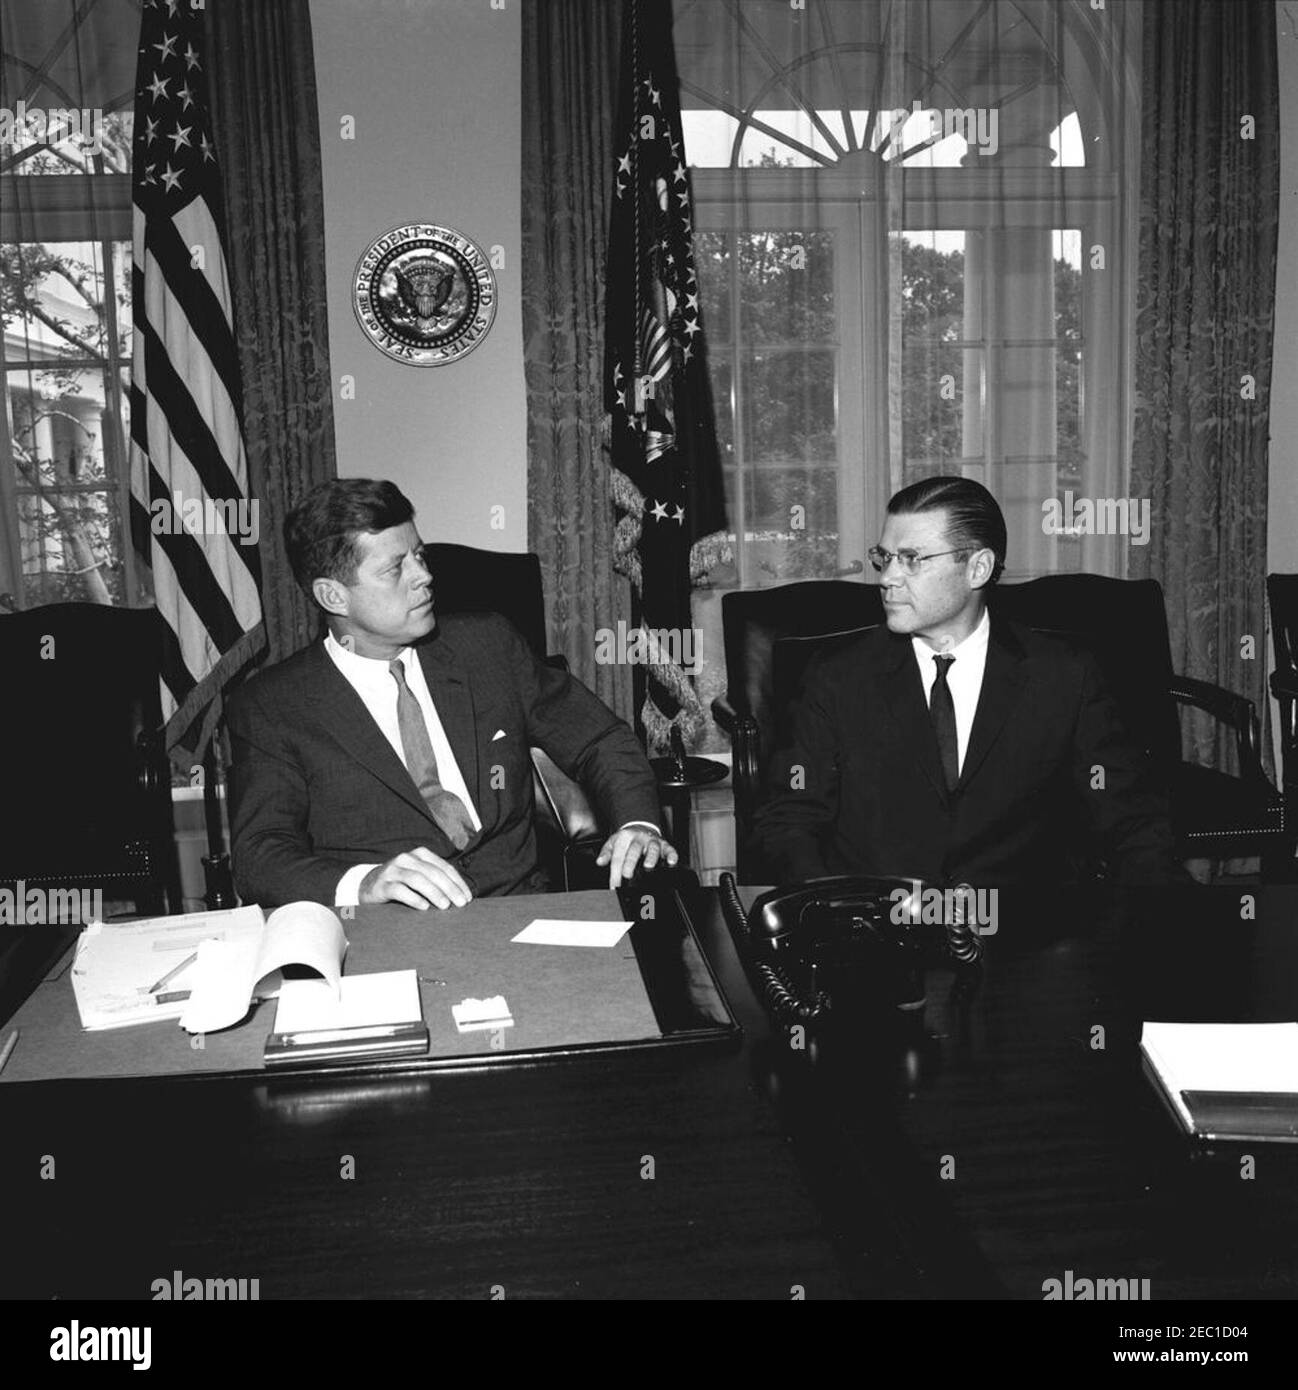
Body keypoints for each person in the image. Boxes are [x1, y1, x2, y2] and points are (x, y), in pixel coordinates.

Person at [227, 478, 674, 909]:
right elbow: (260, 854)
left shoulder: (487, 646)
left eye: (418, 555)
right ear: (333, 596)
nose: (422, 575)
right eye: (394, 568)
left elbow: (598, 739)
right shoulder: (273, 706)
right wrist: (364, 883)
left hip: (521, 912)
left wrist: (636, 824)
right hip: (387, 935)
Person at [750, 476, 1186, 887]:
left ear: (977, 568)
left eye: (912, 560)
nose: (886, 579)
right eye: (884, 558)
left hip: (1024, 938)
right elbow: (790, 819)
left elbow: (1132, 822)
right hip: (878, 930)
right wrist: (833, 910)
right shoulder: (837, 677)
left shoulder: (1064, 676)